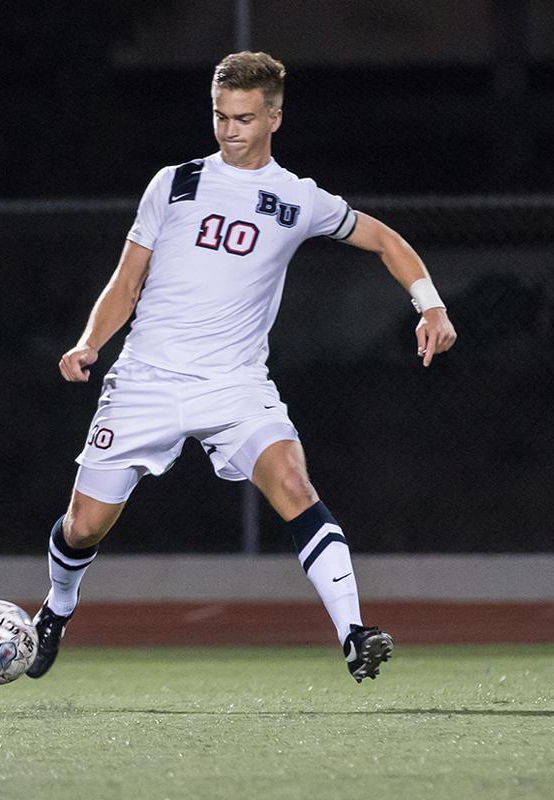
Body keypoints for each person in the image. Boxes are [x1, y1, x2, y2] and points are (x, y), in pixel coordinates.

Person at [27, 52, 457, 683]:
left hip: (235, 385)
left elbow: (386, 240)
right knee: (84, 525)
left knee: (294, 487)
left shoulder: (298, 199)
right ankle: (57, 611)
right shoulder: (173, 183)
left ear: (275, 118)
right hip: (147, 378)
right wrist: (90, 341)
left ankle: (354, 633)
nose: (230, 130)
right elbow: (127, 281)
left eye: (245, 118)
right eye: (220, 115)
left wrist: (431, 305)